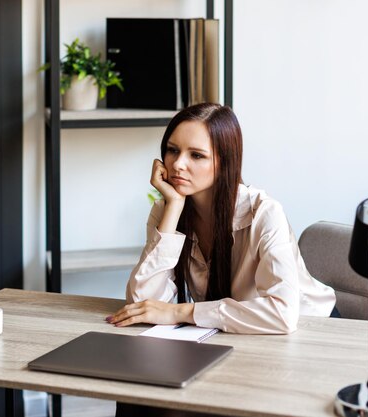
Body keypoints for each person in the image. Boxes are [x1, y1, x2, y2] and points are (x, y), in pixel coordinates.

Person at [108, 103, 338, 417]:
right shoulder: (167, 210)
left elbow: (283, 315)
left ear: (224, 161)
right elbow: (143, 302)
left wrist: (181, 311)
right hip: (237, 333)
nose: (178, 165)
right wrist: (173, 206)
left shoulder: (264, 213)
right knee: (138, 395)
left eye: (196, 155)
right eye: (172, 151)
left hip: (307, 335)